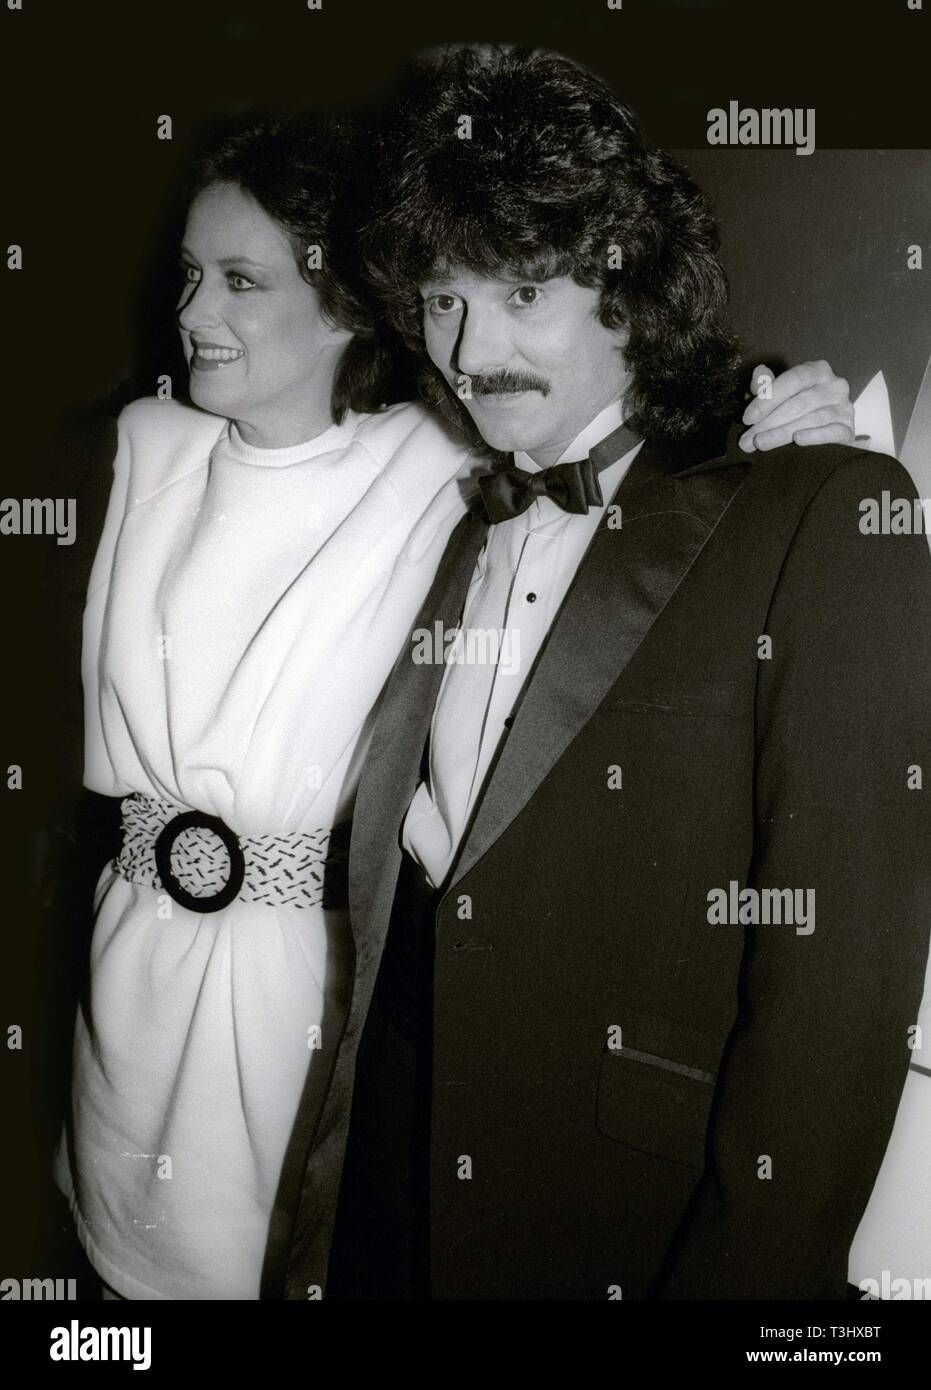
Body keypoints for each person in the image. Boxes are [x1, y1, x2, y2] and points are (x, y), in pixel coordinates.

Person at [50, 102, 859, 1302]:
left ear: (341, 306)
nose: (191, 314)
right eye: (186, 275)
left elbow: (631, 440)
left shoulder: (448, 463)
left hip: (311, 1016)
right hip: (126, 999)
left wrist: (785, 406)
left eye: (238, 279)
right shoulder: (132, 448)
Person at [279, 46, 931, 1301]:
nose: (473, 348)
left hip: (619, 1207)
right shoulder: (457, 519)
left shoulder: (822, 504)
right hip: (392, 1156)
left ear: (629, 290)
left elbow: (840, 986)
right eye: (443, 300)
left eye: (523, 293)